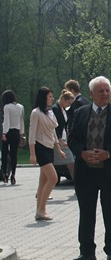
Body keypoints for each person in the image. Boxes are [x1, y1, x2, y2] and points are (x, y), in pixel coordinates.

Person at [68, 76, 111, 260]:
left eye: (107, 90)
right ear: (91, 94)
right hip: (86, 172)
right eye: (100, 91)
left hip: (110, 172)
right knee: (86, 213)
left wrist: (108, 153)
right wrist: (81, 153)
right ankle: (86, 251)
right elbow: (72, 138)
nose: (105, 94)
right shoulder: (80, 113)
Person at [29, 87, 66, 220]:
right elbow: (32, 134)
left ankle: (39, 211)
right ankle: (42, 209)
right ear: (44, 97)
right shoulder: (36, 113)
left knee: (43, 181)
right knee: (53, 178)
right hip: (40, 148)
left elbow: (53, 132)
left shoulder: (50, 112)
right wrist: (32, 154)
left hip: (49, 148)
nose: (52, 99)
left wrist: (58, 149)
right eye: (50, 96)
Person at [2, 90, 25, 185]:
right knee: (14, 154)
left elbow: (6, 120)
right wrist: (22, 133)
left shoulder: (6, 107)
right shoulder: (20, 107)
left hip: (8, 131)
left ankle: (4, 173)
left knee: (4, 153)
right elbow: (21, 120)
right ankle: (13, 175)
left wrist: (4, 132)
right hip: (16, 131)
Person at [52, 89, 75, 180]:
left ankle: (76, 181)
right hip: (58, 139)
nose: (69, 105)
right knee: (70, 161)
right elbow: (55, 126)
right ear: (63, 99)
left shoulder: (63, 109)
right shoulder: (55, 109)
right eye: (68, 103)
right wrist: (59, 139)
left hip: (63, 137)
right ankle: (77, 181)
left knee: (70, 162)